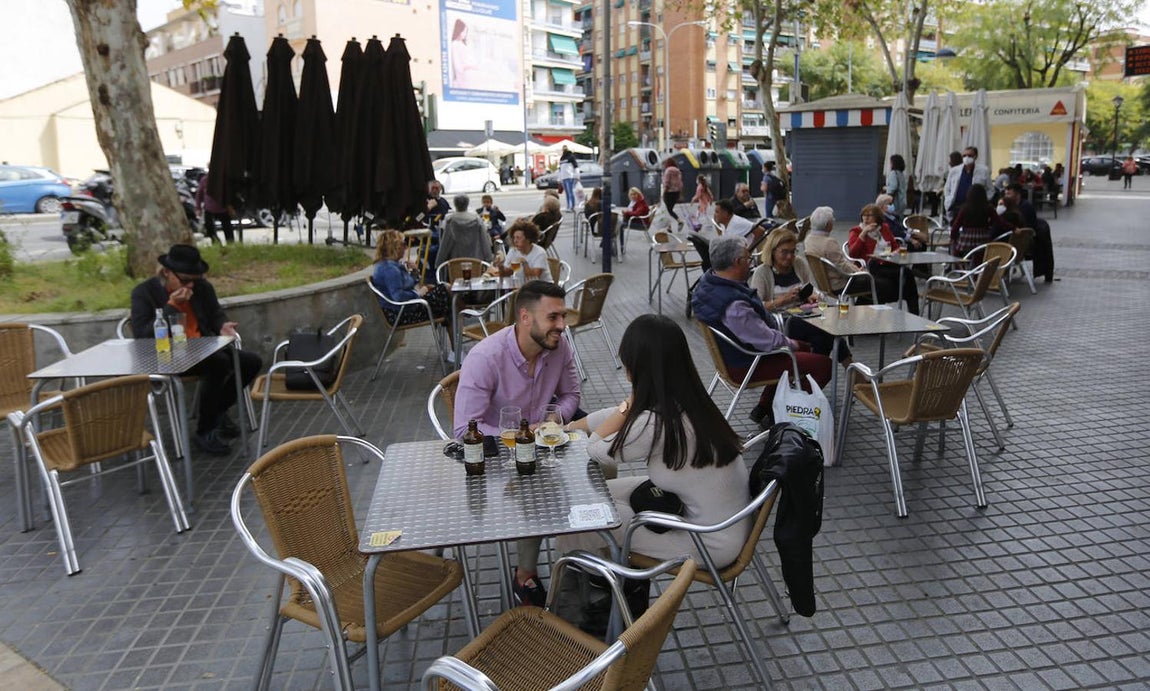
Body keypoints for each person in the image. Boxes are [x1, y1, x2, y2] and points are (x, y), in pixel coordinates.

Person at [558, 314, 752, 567]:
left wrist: (626, 407)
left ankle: (593, 581)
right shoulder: (687, 399)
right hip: (718, 521)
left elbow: (595, 448)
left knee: (580, 520)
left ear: (636, 367)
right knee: (590, 498)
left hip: (708, 542)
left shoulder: (655, 424)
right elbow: (618, 417)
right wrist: (570, 427)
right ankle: (593, 569)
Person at [453, 280, 581, 606]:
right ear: (525, 317)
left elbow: (571, 395)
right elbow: (462, 431)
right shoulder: (485, 357)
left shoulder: (558, 346)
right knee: (532, 487)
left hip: (545, 447)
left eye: (562, 316)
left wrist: (555, 418)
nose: (561, 326)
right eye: (553, 317)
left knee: (601, 466)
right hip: (497, 458)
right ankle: (525, 575)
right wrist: (522, 436)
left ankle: (582, 553)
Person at [129, 244, 262, 456]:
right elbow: (142, 335)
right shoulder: (144, 293)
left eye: (195, 280)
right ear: (166, 273)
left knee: (250, 362)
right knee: (219, 364)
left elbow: (215, 313)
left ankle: (216, 413)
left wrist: (222, 326)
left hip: (203, 347)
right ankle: (205, 431)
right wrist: (171, 305)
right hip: (168, 356)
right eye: (184, 280)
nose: (190, 285)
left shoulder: (202, 288)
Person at [691, 235, 832, 425]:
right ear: (737, 262)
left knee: (804, 348)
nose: (751, 264)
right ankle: (786, 412)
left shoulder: (709, 284)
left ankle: (767, 405)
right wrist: (794, 344)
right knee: (823, 365)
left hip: (734, 356)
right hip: (746, 363)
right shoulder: (734, 304)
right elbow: (767, 341)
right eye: (749, 259)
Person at [750, 228, 852, 369]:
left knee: (821, 340)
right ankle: (851, 369)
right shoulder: (762, 272)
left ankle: (811, 381)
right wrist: (783, 300)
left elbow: (812, 288)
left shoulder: (799, 264)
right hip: (780, 322)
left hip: (804, 315)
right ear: (772, 251)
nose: (789, 256)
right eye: (784, 252)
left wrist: (812, 296)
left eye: (793, 251)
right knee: (829, 330)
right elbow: (757, 307)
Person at [371, 229, 453, 337]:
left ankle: (456, 347)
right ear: (395, 246)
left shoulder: (390, 265)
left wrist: (414, 272)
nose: (406, 248)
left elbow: (408, 285)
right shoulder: (389, 269)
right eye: (403, 244)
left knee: (447, 296)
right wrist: (418, 294)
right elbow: (399, 296)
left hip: (403, 309)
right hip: (401, 313)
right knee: (447, 295)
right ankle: (458, 344)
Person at [847, 204, 920, 314]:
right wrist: (863, 234)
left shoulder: (884, 228)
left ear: (877, 217)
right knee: (905, 276)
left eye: (869, 215)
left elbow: (895, 247)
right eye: (863, 215)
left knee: (907, 274)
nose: (865, 218)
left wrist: (896, 252)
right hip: (869, 266)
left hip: (887, 263)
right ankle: (910, 308)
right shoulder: (856, 231)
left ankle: (914, 312)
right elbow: (853, 253)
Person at [803, 206, 864, 296]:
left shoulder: (808, 239)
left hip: (823, 283)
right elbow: (842, 266)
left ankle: (862, 305)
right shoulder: (829, 243)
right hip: (840, 285)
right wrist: (859, 272)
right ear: (828, 225)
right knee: (878, 283)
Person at [949, 183, 1013, 258]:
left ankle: (957, 267)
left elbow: (956, 225)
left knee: (957, 251)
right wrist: (1014, 228)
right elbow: (1000, 221)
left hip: (966, 240)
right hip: (983, 239)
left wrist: (952, 237)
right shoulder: (988, 207)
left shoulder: (965, 208)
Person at [436, 194, 492, 266]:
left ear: (455, 204)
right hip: (475, 261)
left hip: (455, 262)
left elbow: (444, 243)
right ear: (467, 204)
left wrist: (439, 262)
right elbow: (484, 241)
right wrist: (489, 259)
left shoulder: (450, 220)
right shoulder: (476, 219)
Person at [944, 146, 991, 221]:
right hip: (956, 207)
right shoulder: (954, 171)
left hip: (975, 208)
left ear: (975, 156)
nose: (966, 158)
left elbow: (990, 189)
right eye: (964, 156)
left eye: (969, 155)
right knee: (955, 228)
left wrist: (984, 201)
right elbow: (947, 188)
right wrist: (948, 199)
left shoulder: (983, 170)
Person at [194, 172, 234, 244]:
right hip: (209, 209)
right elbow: (199, 195)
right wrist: (198, 208)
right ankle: (216, 244)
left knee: (228, 231)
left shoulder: (223, 180)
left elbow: (229, 194)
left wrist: (231, 207)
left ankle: (231, 246)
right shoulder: (205, 180)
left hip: (223, 209)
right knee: (210, 230)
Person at [449, 19, 479, 88]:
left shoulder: (462, 44)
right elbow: (458, 65)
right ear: (459, 31)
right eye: (463, 32)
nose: (465, 34)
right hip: (462, 79)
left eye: (466, 32)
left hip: (468, 78)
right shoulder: (455, 44)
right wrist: (471, 66)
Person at [661, 158, 683, 227]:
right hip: (676, 192)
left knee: (667, 210)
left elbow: (667, 182)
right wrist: (680, 193)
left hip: (669, 192)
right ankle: (669, 227)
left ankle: (679, 221)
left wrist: (663, 193)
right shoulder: (678, 171)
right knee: (669, 210)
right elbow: (680, 183)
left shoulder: (668, 170)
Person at [885, 154, 908, 218]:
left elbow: (893, 187)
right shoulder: (901, 174)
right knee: (899, 219)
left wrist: (887, 191)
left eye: (891, 162)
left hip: (895, 202)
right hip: (902, 201)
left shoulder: (893, 173)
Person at [558, 146, 579, 211]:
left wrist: (577, 176)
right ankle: (568, 206)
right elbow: (560, 169)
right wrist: (560, 178)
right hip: (564, 177)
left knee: (570, 192)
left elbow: (576, 167)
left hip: (570, 177)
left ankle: (572, 206)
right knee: (567, 193)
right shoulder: (562, 158)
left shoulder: (571, 157)